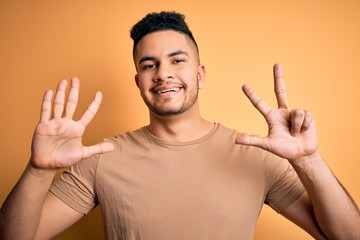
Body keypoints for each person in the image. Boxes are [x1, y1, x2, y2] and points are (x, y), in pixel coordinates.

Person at [0, 11, 359, 240]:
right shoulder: (102, 158)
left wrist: (309, 160)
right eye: (149, 64)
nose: (164, 73)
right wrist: (37, 170)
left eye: (177, 60)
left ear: (199, 74)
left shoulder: (256, 156)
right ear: (138, 80)